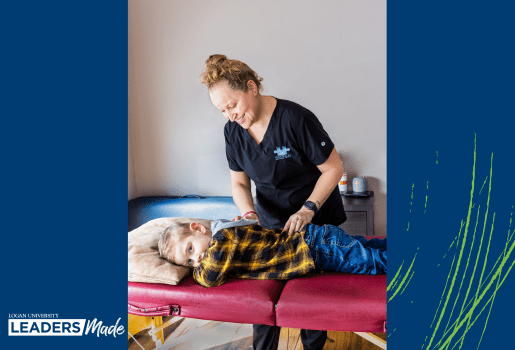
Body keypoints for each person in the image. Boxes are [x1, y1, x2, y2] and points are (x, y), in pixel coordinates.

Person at [200, 54, 348, 350]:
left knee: (309, 305)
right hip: (269, 225)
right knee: (262, 308)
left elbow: (334, 168)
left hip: (315, 220)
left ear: (252, 88)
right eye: (222, 110)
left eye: (233, 105)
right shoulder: (233, 132)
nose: (230, 115)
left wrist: (308, 210)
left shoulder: (295, 119)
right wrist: (249, 214)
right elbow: (239, 183)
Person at [158, 218, 386, 288]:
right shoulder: (228, 229)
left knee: (373, 263)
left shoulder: (222, 240)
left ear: (198, 228)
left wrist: (194, 274)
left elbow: (208, 277)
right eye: (188, 262)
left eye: (190, 249)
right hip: (318, 240)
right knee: (374, 247)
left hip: (318, 248)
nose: (196, 259)